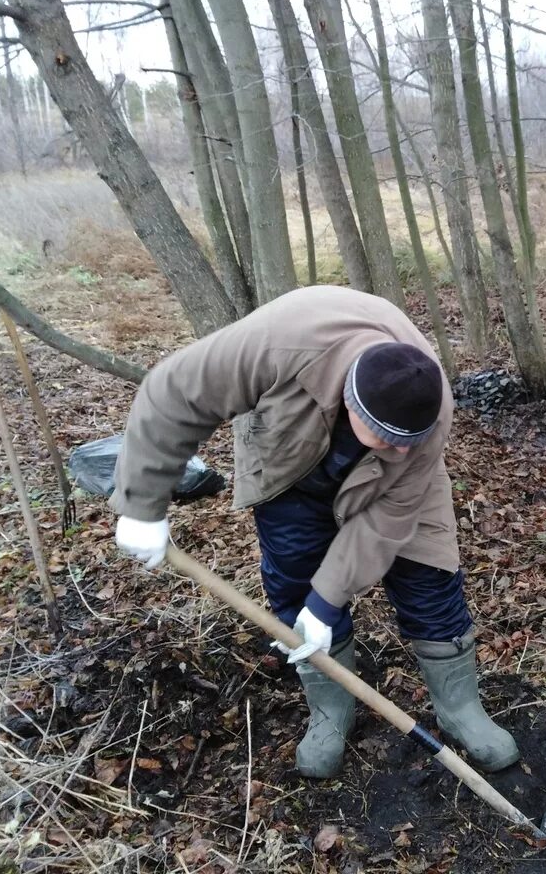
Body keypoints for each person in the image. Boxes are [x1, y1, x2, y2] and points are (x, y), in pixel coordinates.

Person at [110, 286, 519, 778]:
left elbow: (385, 522)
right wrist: (141, 504)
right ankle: (331, 712)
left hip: (396, 493)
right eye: (384, 440)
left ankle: (460, 709)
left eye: (403, 444)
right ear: (352, 402)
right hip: (287, 461)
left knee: (429, 577)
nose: (396, 451)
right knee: (296, 580)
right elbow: (171, 394)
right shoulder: (277, 343)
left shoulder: (428, 417)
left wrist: (329, 600)